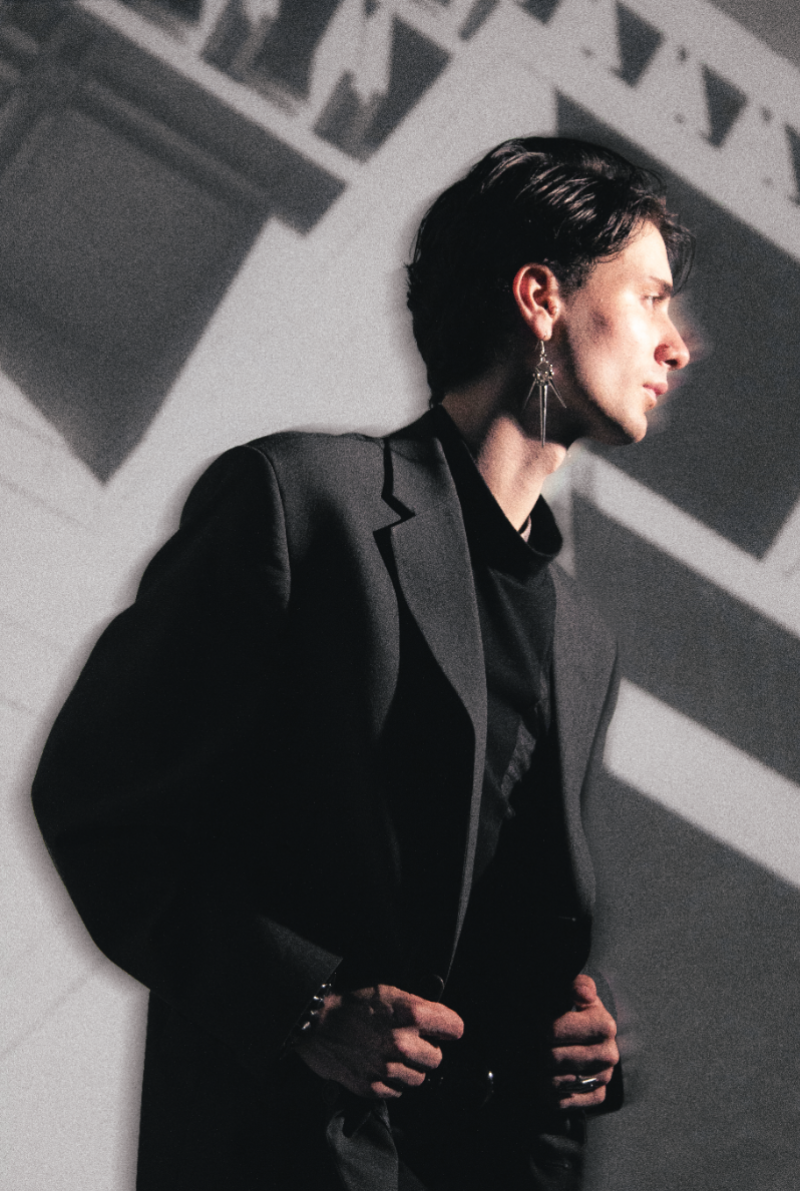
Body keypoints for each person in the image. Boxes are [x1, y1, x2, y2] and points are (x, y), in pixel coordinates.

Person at [32, 136, 692, 1190]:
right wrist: (302, 1008)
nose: (676, 346)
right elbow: (95, 801)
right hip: (288, 1158)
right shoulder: (301, 504)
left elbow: (485, 914)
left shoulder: (579, 635)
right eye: (650, 299)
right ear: (540, 298)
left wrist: (571, 1028)